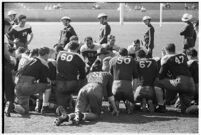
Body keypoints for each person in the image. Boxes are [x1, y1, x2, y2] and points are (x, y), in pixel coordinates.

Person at [54, 66, 119, 126]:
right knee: (96, 115)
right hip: (96, 88)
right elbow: (110, 94)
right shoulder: (108, 74)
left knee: (78, 112)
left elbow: (86, 90)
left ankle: (66, 117)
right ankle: (81, 115)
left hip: (83, 89)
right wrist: (115, 108)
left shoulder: (89, 74)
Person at [154, 43, 195, 113]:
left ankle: (161, 106)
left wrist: (163, 57)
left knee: (157, 82)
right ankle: (197, 107)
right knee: (185, 110)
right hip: (191, 83)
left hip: (180, 82)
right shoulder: (183, 55)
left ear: (166, 50)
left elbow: (161, 75)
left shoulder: (166, 58)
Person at [14, 47, 51, 115]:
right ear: (46, 54)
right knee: (47, 86)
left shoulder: (30, 59)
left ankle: (13, 106)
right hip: (27, 85)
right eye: (49, 54)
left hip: (18, 86)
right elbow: (44, 80)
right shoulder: (44, 63)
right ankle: (44, 107)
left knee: (25, 111)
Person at [56, 41, 86, 113]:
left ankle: (63, 105)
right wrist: (81, 79)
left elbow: (57, 67)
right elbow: (83, 71)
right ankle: (79, 104)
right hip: (71, 83)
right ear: (77, 48)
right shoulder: (78, 56)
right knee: (84, 81)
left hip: (60, 83)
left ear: (68, 47)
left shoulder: (60, 53)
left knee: (62, 99)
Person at [109, 48, 138, 114]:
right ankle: (129, 105)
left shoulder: (113, 60)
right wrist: (134, 90)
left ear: (119, 54)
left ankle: (116, 103)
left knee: (116, 98)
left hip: (116, 84)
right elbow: (135, 77)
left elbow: (110, 75)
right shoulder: (132, 60)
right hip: (127, 84)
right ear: (127, 54)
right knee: (129, 99)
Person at [4, 19, 16, 117]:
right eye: (8, 27)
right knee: (8, 86)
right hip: (4, 65)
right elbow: (5, 52)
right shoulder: (3, 36)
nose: (9, 28)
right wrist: (11, 59)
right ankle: (9, 106)